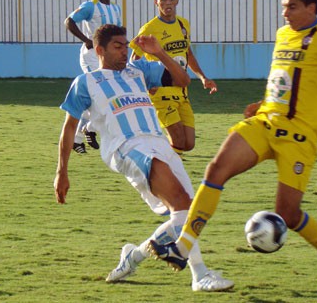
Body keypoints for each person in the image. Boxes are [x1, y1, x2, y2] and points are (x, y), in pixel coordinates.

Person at [148, 0, 317, 291]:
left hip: (299, 137)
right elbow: (282, 79)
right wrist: (264, 102)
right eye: (283, 7)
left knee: (288, 213)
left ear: (312, 7)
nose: (285, 13)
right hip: (267, 123)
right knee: (216, 170)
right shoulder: (283, 34)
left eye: (292, 7)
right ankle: (184, 246)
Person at [54, 24, 233, 292]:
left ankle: (134, 256)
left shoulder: (138, 71)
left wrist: (159, 52)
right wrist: (62, 170)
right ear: (100, 50)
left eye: (126, 45)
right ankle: (200, 275)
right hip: (126, 148)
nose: (124, 51)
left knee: (190, 213)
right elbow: (69, 127)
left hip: (159, 143)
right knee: (183, 207)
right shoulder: (86, 83)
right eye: (117, 46)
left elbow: (183, 81)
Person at [129, 0, 217, 158]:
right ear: (156, 2)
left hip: (182, 89)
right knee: (178, 141)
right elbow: (133, 62)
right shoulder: (149, 29)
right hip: (161, 92)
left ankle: (154, 152)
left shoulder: (183, 24)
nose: (167, 3)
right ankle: (170, 178)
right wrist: (145, 86)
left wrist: (202, 77)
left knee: (188, 143)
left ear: (177, 1)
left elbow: (188, 53)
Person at [64, 0, 122, 153]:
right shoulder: (91, 6)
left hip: (108, 56)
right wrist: (86, 40)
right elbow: (69, 21)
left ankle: (86, 131)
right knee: (99, 94)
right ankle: (82, 134)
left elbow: (117, 32)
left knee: (108, 95)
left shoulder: (116, 8)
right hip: (91, 55)